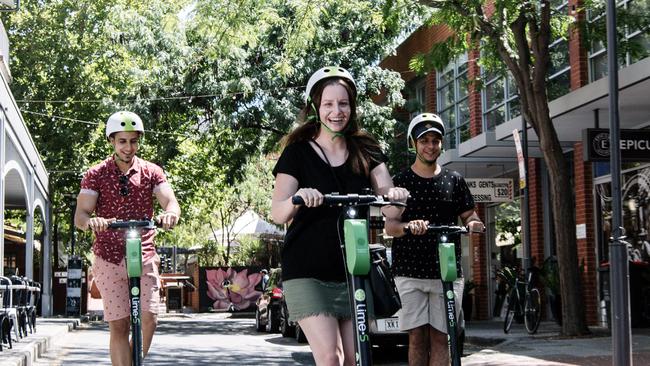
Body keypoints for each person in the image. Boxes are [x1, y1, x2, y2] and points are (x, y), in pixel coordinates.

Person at [271, 66, 408, 366]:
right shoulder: (298, 153)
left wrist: (394, 196)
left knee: (354, 359)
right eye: (329, 104)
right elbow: (277, 211)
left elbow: (386, 196)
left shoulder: (366, 149)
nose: (337, 111)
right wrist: (298, 198)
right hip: (307, 270)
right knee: (331, 358)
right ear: (316, 107)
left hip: (352, 272)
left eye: (343, 103)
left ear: (352, 107)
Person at [74, 111, 180, 366]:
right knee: (119, 326)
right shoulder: (96, 174)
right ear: (112, 141)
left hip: (143, 252)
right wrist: (92, 222)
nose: (128, 147)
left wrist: (170, 214)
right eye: (122, 141)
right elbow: (80, 215)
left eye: (133, 141)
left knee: (150, 317)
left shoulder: (152, 171)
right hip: (108, 256)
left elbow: (170, 201)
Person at [385, 113, 484, 366]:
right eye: (424, 140)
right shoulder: (401, 182)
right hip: (409, 271)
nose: (430, 146)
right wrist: (409, 226)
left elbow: (470, 215)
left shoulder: (455, 180)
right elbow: (391, 227)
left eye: (435, 140)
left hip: (447, 272)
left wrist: (474, 224)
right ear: (413, 144)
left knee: (442, 337)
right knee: (417, 337)